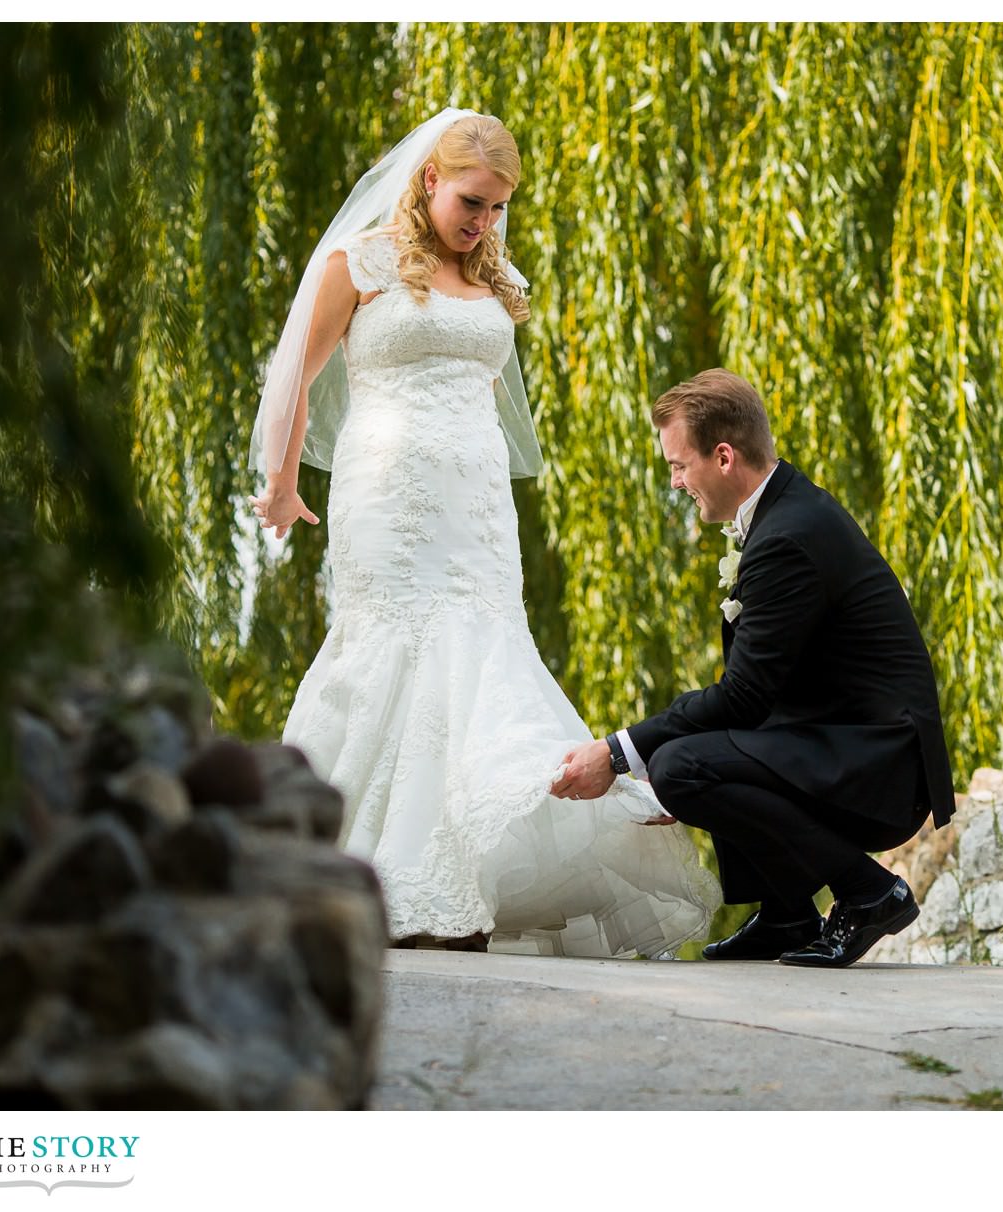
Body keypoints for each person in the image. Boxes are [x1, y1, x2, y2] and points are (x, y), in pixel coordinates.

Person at [247, 108, 717, 956]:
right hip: (387, 494)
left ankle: (465, 871)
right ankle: (339, 868)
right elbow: (296, 379)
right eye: (472, 201)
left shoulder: (500, 279)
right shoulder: (358, 265)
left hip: (476, 503)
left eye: (499, 208)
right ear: (429, 180)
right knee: (390, 648)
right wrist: (282, 487)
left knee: (483, 650)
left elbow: (489, 398)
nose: (484, 222)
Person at [551, 369, 956, 967]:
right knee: (696, 756)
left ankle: (868, 891)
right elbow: (762, 694)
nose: (675, 482)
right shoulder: (786, 513)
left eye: (678, 465)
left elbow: (741, 698)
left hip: (880, 765)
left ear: (722, 456)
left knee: (682, 766)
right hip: (847, 740)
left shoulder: (786, 537)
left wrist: (617, 753)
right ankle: (788, 915)